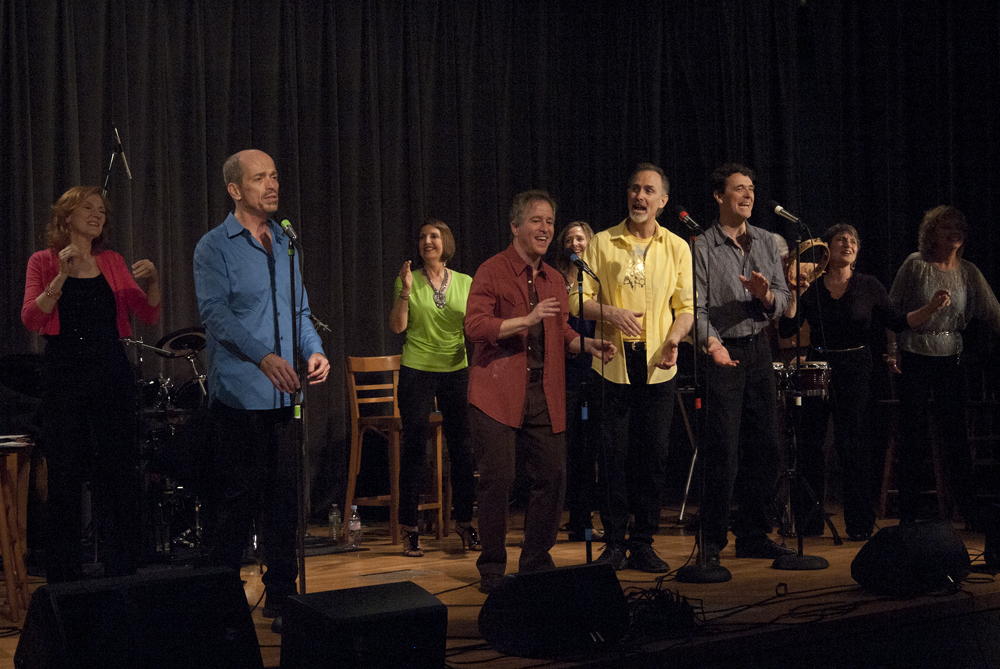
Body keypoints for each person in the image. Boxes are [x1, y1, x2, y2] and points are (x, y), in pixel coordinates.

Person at [193, 149, 330, 632]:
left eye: (274, 175)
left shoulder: (286, 243)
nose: (271, 185)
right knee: (237, 500)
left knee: (284, 499)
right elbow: (216, 316)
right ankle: (219, 601)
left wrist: (312, 350)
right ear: (235, 190)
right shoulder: (215, 246)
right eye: (259, 178)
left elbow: (299, 312)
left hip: (284, 396)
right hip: (239, 395)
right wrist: (264, 357)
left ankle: (282, 597)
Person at [465, 190, 615, 594]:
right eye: (536, 220)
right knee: (499, 479)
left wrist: (588, 344)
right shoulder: (491, 271)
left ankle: (535, 560)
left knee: (554, 474)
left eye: (550, 221)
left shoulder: (554, 279)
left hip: (544, 392)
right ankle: (493, 568)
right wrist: (524, 319)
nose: (546, 228)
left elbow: (561, 330)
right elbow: (475, 327)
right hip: (496, 392)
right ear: (515, 227)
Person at [22, 186, 161, 582]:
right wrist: (61, 277)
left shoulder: (113, 262)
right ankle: (64, 577)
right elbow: (32, 318)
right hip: (65, 374)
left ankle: (121, 569)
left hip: (110, 374)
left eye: (102, 210)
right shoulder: (43, 261)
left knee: (116, 473)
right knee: (65, 475)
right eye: (89, 208)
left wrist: (153, 281)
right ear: (66, 217)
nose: (98, 215)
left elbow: (147, 315)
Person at [779, 224, 949, 541]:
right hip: (818, 366)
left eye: (854, 240)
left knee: (852, 446)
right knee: (811, 446)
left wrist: (931, 308)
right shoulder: (812, 289)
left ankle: (858, 524)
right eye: (841, 239)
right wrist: (793, 293)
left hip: (855, 368)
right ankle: (809, 523)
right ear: (826, 249)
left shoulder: (869, 285)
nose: (849, 243)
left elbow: (898, 322)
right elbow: (788, 329)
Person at [579, 164, 695, 572]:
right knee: (612, 456)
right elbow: (581, 298)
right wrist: (609, 310)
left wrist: (675, 340)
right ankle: (613, 541)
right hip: (612, 363)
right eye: (634, 188)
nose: (639, 196)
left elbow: (686, 308)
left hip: (658, 364)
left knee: (653, 456)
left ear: (662, 200)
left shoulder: (678, 246)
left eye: (648, 190)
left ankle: (644, 541)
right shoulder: (602, 242)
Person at [693, 163, 794, 566]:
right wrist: (711, 343)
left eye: (751, 189)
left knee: (766, 445)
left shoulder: (770, 242)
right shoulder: (701, 246)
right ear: (720, 196)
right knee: (722, 449)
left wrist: (766, 296)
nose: (748, 196)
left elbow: (785, 302)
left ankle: (753, 533)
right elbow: (694, 307)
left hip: (758, 349)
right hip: (721, 352)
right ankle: (711, 543)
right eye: (739, 189)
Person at [888, 205, 1000, 528]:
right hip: (915, 353)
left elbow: (993, 312)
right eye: (946, 226)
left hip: (951, 356)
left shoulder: (968, 272)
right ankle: (908, 514)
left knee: (955, 437)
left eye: (959, 226)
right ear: (931, 233)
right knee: (913, 435)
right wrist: (892, 350)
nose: (955, 231)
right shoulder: (915, 265)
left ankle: (968, 511)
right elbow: (891, 311)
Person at [389, 219, 479, 557]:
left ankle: (464, 522)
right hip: (417, 369)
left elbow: (473, 327)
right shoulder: (406, 280)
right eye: (423, 236)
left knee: (463, 449)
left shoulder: (466, 282)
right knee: (414, 448)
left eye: (435, 236)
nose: (428, 241)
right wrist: (406, 290)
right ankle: (411, 528)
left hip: (456, 370)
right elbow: (397, 327)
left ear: (447, 243)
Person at [555, 221, 603, 542]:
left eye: (580, 238)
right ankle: (575, 520)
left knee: (590, 450)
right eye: (570, 239)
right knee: (571, 449)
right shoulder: (558, 281)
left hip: (596, 369)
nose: (575, 243)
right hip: (567, 372)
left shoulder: (599, 280)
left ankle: (584, 522)